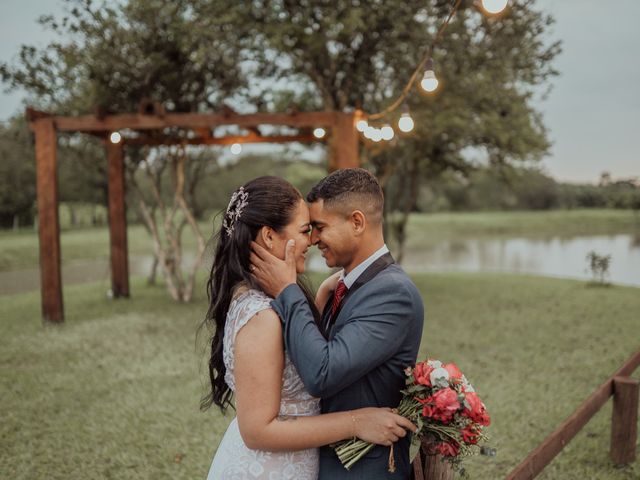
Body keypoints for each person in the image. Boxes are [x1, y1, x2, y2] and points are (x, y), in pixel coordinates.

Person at [201, 176, 415, 480]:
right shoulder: (261, 315)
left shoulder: (262, 300)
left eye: (317, 228)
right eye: (305, 230)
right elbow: (258, 430)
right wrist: (356, 421)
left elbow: (300, 348)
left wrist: (317, 299)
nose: (312, 240)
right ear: (269, 237)